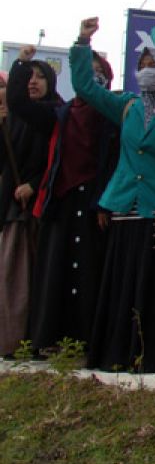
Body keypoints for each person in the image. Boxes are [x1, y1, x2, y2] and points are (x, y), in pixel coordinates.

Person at [69, 18, 155, 373]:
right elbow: (85, 88)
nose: (148, 71)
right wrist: (82, 43)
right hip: (124, 208)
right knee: (120, 284)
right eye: (142, 66)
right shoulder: (127, 106)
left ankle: (146, 356)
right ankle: (114, 354)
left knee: (149, 285)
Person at [9, 46, 117, 357]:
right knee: (55, 269)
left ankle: (85, 341)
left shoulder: (112, 116)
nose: (91, 79)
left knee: (89, 271)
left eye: (97, 72)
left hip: (96, 205)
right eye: (86, 71)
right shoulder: (61, 114)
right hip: (63, 201)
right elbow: (17, 102)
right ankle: (50, 340)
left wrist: (104, 202)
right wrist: (22, 63)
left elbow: (115, 162)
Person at [0, 51, 61, 356]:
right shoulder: (15, 118)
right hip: (16, 209)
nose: (33, 82)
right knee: (13, 278)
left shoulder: (54, 114)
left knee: (36, 278)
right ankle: (12, 341)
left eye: (39, 76)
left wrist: (34, 185)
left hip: (43, 209)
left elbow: (55, 161)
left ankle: (33, 340)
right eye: (28, 77)